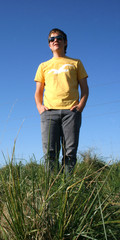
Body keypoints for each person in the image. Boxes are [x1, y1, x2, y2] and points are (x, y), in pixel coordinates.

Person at [34, 28, 89, 174]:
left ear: (65, 42)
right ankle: (51, 188)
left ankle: (67, 187)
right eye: (51, 39)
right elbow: (38, 92)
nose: (55, 41)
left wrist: (80, 107)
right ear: (49, 44)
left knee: (69, 152)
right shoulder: (43, 66)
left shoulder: (76, 63)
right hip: (49, 113)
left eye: (59, 38)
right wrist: (40, 108)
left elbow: (85, 89)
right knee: (50, 153)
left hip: (71, 112)